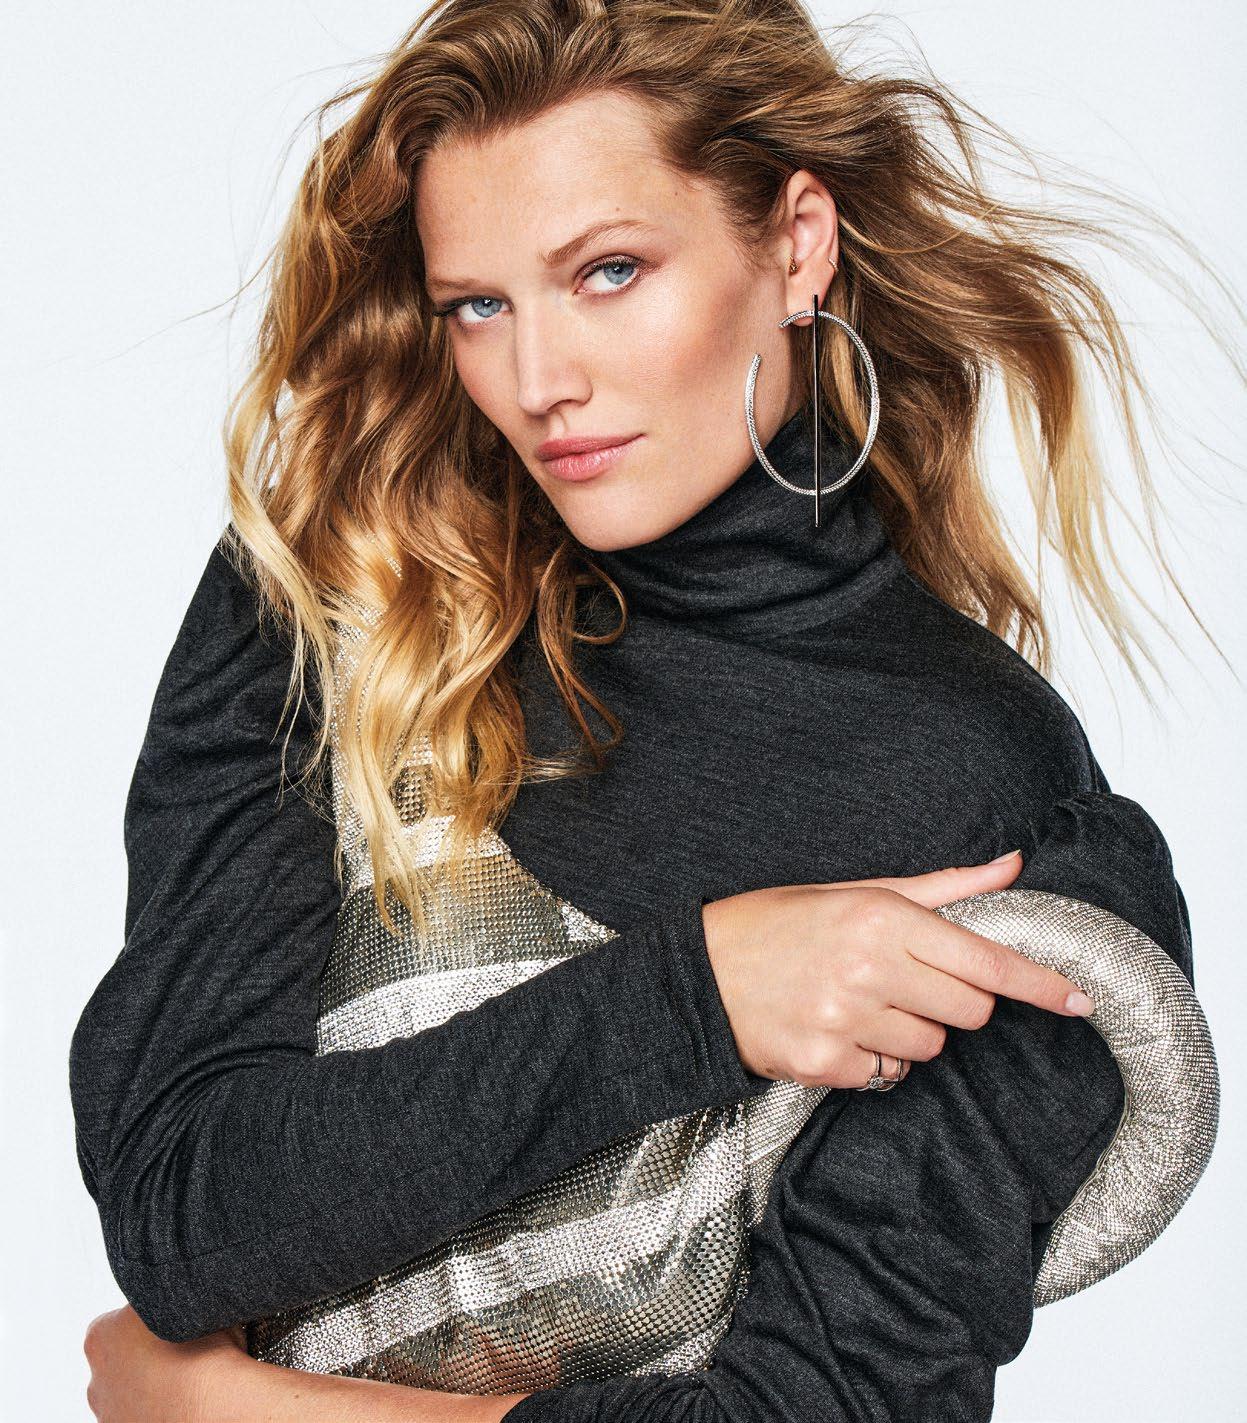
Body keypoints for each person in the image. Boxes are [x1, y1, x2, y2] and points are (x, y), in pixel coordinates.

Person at [71, 0, 1226, 1418]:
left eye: (608, 272)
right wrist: (702, 996)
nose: (539, 383)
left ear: (797, 244)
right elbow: (185, 1215)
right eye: (478, 305)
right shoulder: (347, 595)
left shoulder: (988, 798)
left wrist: (235, 1411)